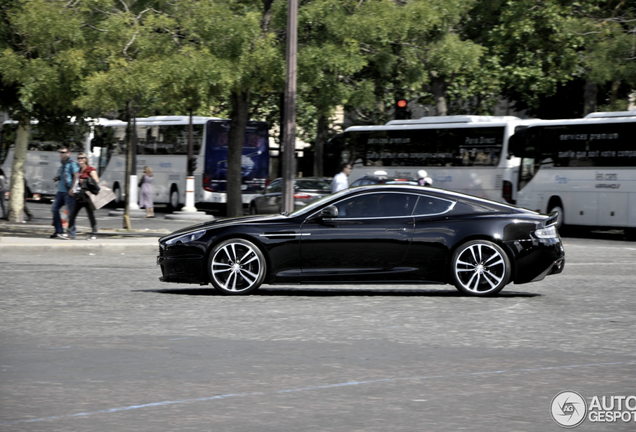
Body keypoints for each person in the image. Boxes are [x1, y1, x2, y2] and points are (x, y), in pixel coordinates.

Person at [67, 152, 99, 240]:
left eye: (81, 158)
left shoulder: (90, 169)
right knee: (72, 214)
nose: (80, 160)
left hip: (87, 196)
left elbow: (96, 181)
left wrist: (85, 180)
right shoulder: (79, 170)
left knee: (90, 215)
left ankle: (94, 234)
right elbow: (75, 180)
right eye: (78, 158)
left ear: (86, 159)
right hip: (79, 195)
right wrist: (71, 189)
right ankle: (69, 234)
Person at [51, 146, 79, 239]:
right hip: (60, 191)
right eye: (60, 152)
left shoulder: (72, 164)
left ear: (68, 153)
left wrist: (72, 189)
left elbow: (76, 176)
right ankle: (58, 231)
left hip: (68, 192)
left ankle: (72, 233)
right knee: (54, 209)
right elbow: (64, 175)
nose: (61, 154)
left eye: (63, 152)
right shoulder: (62, 164)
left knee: (71, 213)